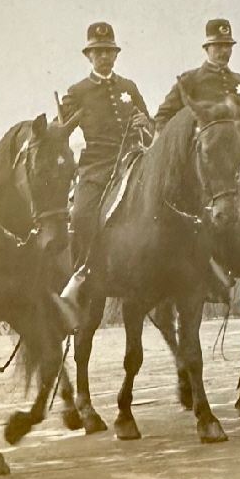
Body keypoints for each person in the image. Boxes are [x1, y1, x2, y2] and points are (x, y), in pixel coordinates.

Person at [59, 23, 152, 294]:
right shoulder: (78, 91)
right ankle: (81, 273)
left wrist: (144, 123)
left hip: (133, 160)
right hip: (97, 166)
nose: (104, 57)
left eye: (108, 52)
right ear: (88, 56)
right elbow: (60, 127)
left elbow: (151, 124)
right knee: (80, 217)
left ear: (116, 55)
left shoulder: (128, 87)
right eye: (98, 52)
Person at [154, 19, 240, 152]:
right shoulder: (190, 79)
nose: (224, 51)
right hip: (207, 156)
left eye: (228, 46)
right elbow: (163, 117)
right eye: (218, 46)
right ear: (207, 49)